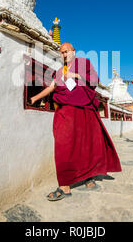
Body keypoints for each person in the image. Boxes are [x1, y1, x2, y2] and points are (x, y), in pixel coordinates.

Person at [30, 42, 122, 201]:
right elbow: (52, 87)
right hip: (65, 112)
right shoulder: (59, 72)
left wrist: (76, 76)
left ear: (73, 51)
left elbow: (94, 80)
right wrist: (35, 98)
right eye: (62, 52)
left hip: (85, 110)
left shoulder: (84, 63)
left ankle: (89, 176)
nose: (65, 54)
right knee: (63, 146)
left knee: (86, 145)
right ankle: (64, 186)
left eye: (67, 51)